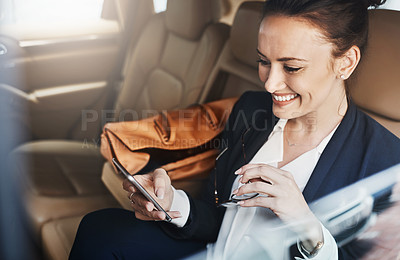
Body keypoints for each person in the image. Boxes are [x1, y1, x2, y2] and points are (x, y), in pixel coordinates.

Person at [69, 0, 400, 259]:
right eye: (263, 61)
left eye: (292, 67)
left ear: (346, 62)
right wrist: (174, 204)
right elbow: (222, 218)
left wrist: (308, 229)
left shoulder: (387, 163)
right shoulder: (251, 110)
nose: (270, 83)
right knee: (98, 229)